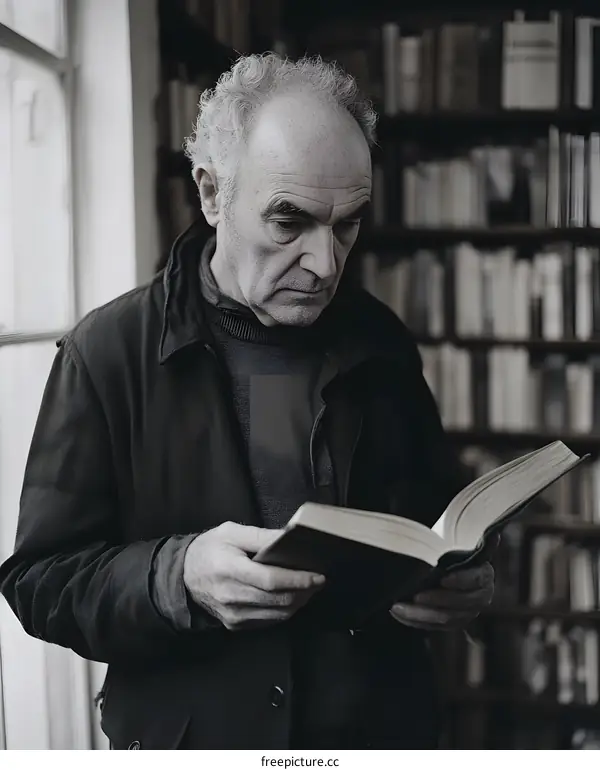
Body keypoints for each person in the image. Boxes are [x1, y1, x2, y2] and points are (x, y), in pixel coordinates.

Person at [0, 53, 495, 750]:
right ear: (211, 193)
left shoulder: (379, 337)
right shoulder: (106, 353)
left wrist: (467, 578)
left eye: (347, 224)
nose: (325, 265)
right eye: (288, 223)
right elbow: (39, 582)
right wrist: (178, 577)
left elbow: (439, 511)